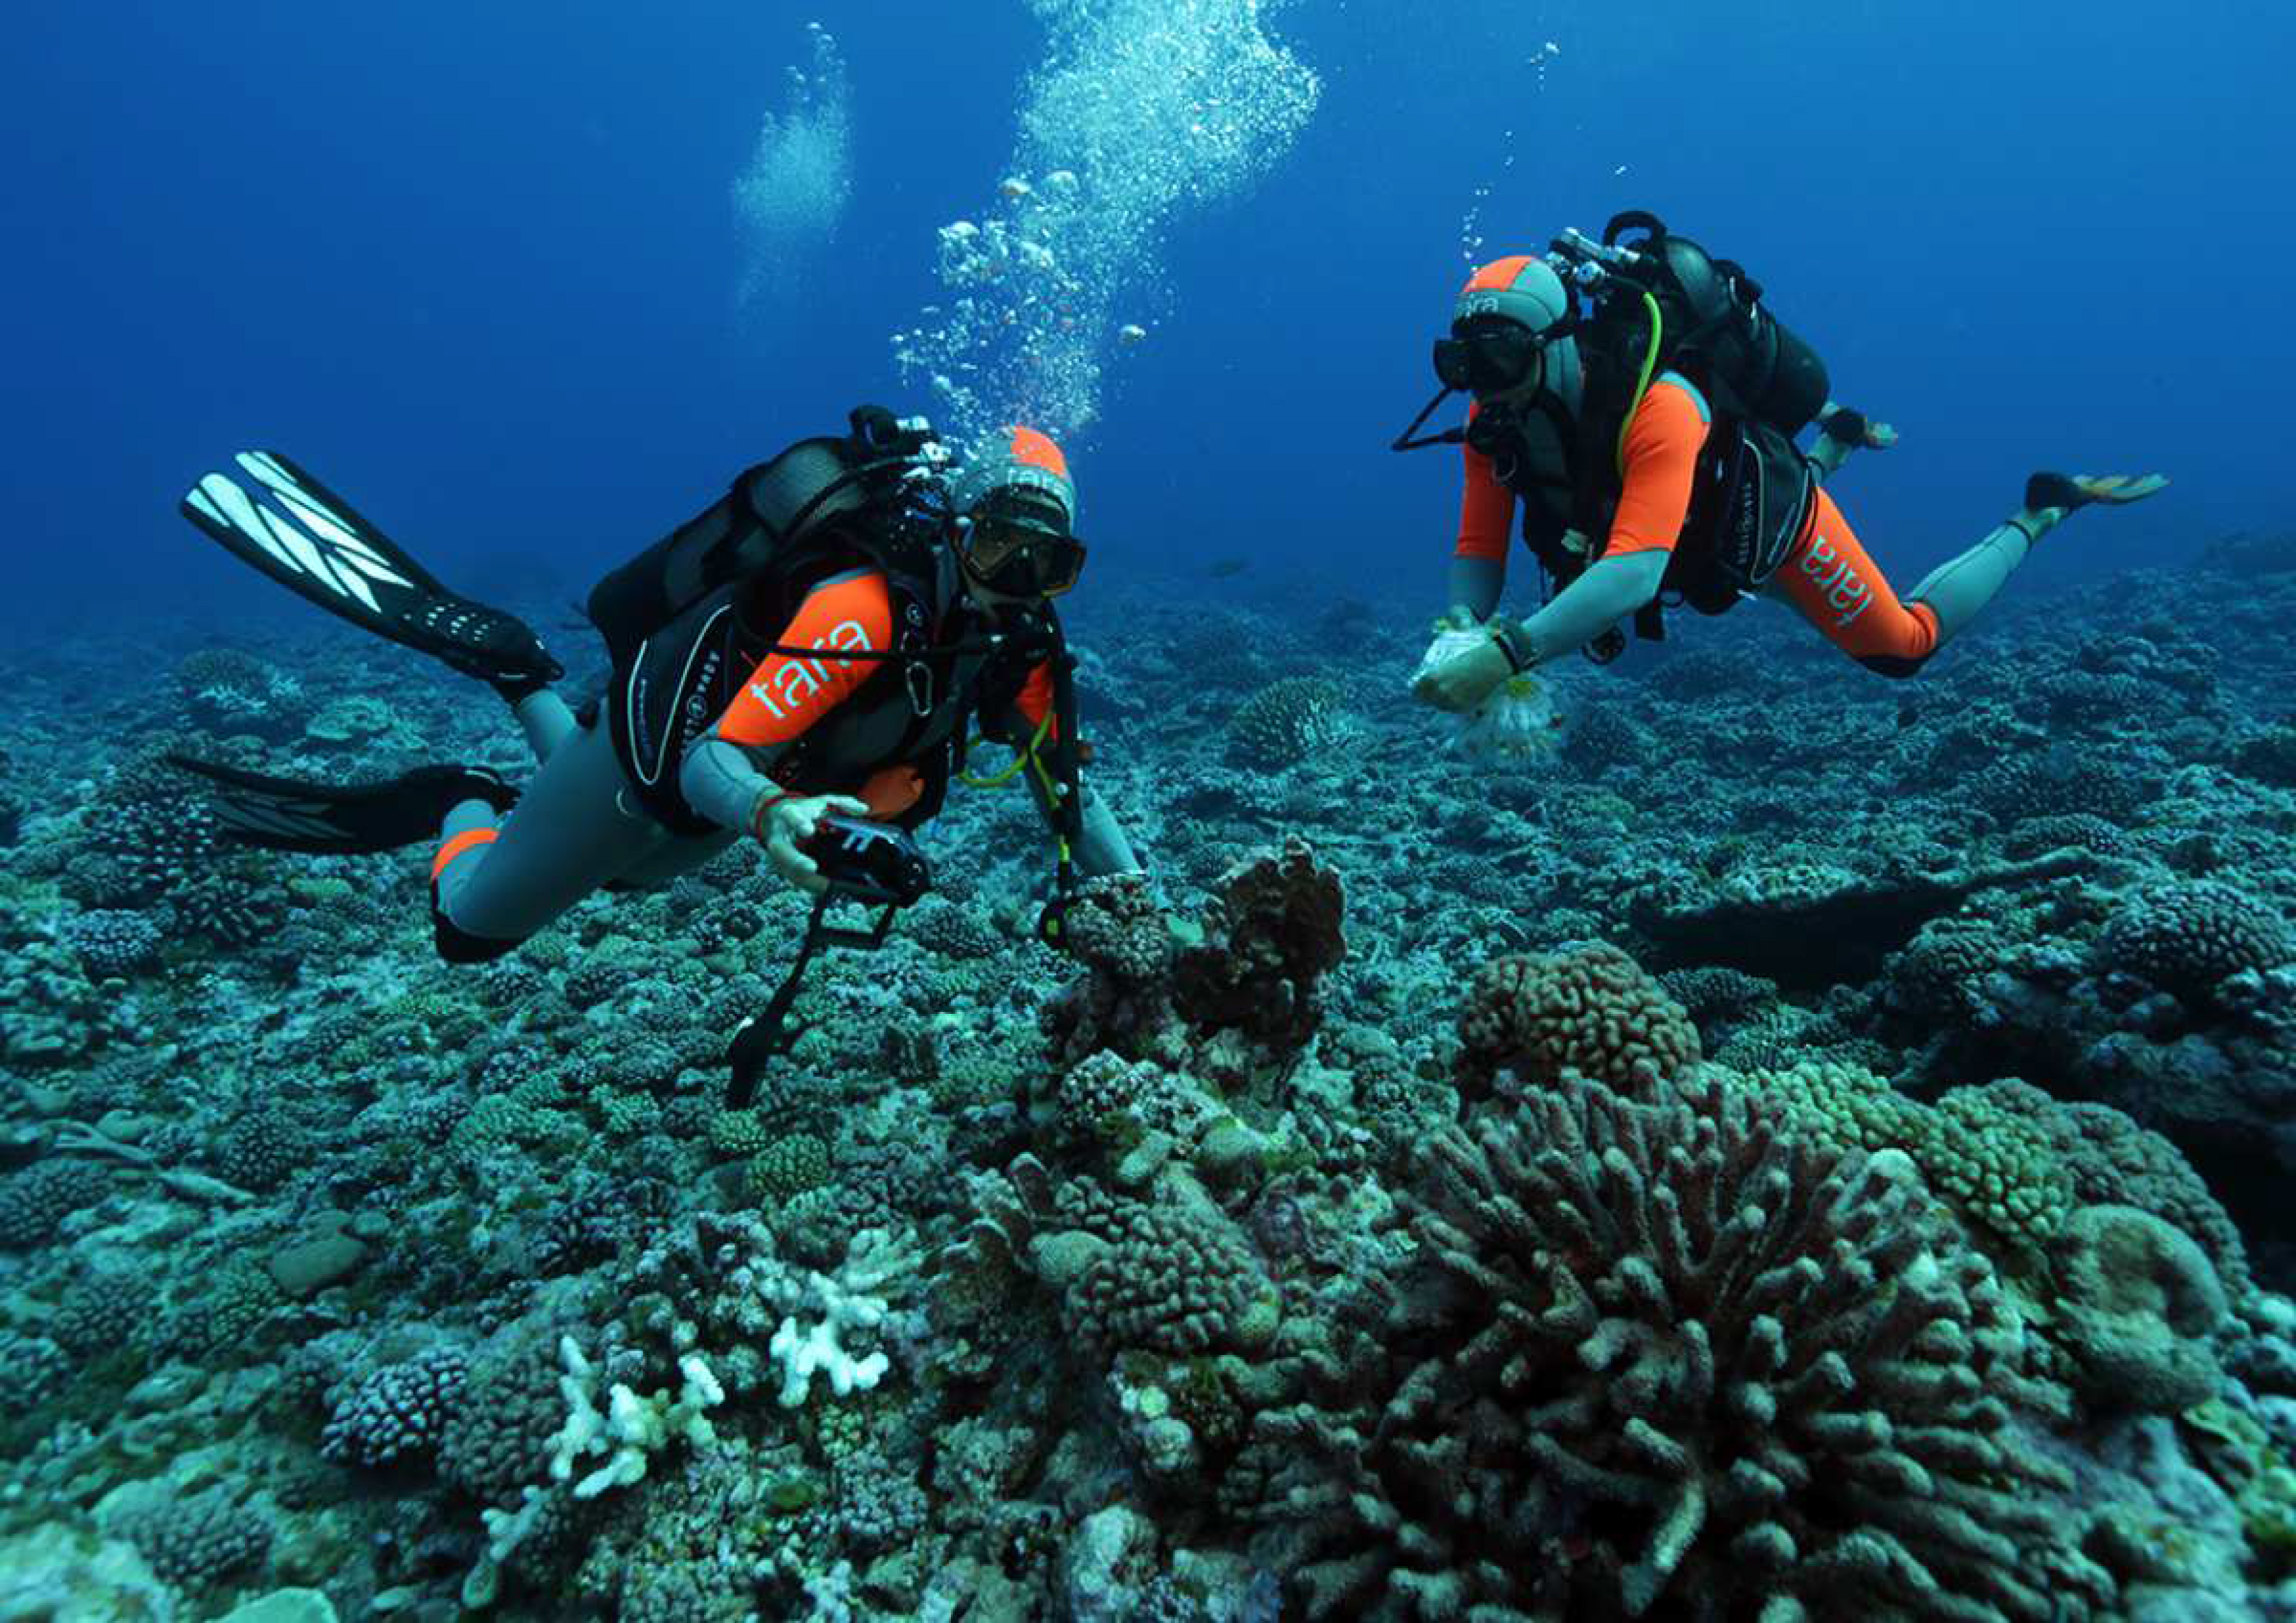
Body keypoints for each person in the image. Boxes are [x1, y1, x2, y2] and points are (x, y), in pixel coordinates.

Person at [172, 409, 1139, 969]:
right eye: (993, 543)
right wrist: (772, 817)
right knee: (469, 931)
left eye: (1043, 563)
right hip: (660, 761)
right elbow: (711, 755)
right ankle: (461, 791)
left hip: (713, 813)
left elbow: (1072, 800)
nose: (1009, 580)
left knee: (634, 875)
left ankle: (526, 681)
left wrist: (1153, 913)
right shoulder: (863, 611)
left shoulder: (1019, 655)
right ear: (952, 527)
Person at [1401, 219, 2166, 713]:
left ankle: (2043, 508)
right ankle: (1835, 439)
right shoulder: (1492, 417)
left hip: (1761, 526)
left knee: (1901, 648)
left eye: (1498, 356)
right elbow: (1477, 548)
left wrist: (1505, 654)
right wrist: (1461, 624)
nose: (1481, 383)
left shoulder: (1661, 402)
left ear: (1556, 338)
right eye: (1459, 363)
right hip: (1676, 532)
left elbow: (1633, 575)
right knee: (1702, 550)